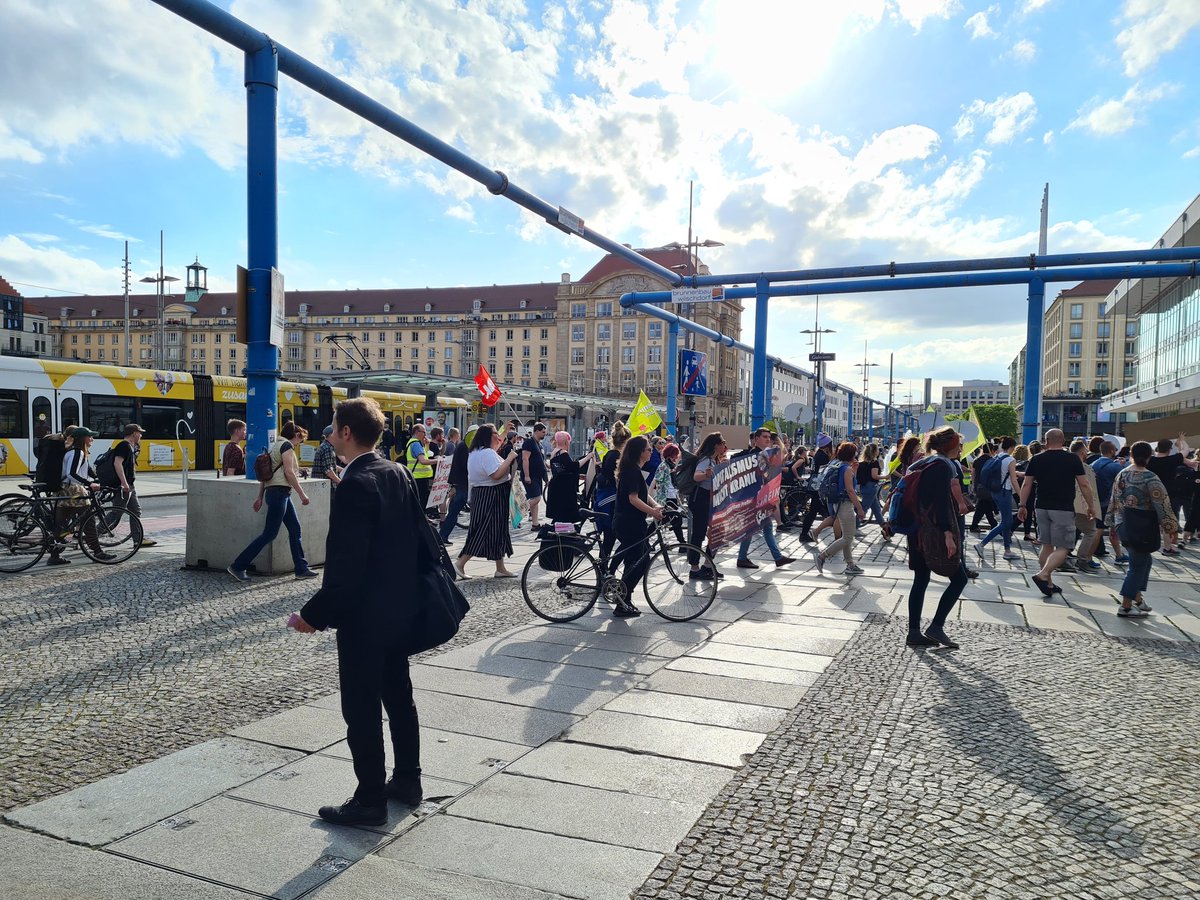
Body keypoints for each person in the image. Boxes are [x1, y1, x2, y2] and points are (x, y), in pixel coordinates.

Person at [290, 397, 425, 826]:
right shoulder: (397, 472)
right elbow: (419, 541)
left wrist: (313, 614)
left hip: (365, 618)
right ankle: (407, 780)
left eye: (333, 427)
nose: (329, 433)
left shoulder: (356, 484)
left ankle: (370, 800)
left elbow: (346, 565)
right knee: (400, 698)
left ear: (347, 433)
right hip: (399, 609)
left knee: (362, 708)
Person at [227, 422, 318, 581]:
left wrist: (260, 496)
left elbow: (265, 474)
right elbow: (289, 473)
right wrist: (302, 495)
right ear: (296, 435)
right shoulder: (287, 446)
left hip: (276, 493)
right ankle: (238, 566)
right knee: (269, 534)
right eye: (300, 440)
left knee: (295, 529)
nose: (299, 444)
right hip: (279, 493)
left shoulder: (275, 445)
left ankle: (301, 568)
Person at [904, 426, 967, 649]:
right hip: (935, 531)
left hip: (916, 529)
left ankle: (913, 632)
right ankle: (936, 626)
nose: (961, 449)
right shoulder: (943, 466)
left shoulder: (921, 463)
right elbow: (940, 501)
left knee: (920, 579)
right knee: (960, 579)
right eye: (959, 445)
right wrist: (948, 534)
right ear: (950, 446)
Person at [1017, 429, 1096, 597]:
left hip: (1041, 506)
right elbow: (1084, 484)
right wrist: (1091, 505)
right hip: (1063, 507)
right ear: (1063, 441)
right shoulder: (1072, 459)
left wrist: (1022, 505)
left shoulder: (1036, 459)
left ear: (1046, 441)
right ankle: (1043, 575)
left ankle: (1049, 583)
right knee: (1065, 546)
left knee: (1047, 544)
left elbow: (1027, 484)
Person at [1106, 440, 1178, 618]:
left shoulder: (1122, 474)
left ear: (1131, 455)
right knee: (1138, 566)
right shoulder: (1151, 478)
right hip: (1143, 527)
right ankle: (1126, 606)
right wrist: (1170, 526)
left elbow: (1114, 499)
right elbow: (1162, 503)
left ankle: (1138, 599)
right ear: (1149, 456)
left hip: (1123, 523)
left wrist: (1111, 522)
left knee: (1144, 562)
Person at [454, 424, 520, 579]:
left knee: (498, 531)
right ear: (488, 436)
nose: (499, 437)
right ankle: (460, 564)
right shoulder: (487, 454)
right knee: (482, 530)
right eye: (496, 433)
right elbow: (496, 474)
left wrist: (504, 432)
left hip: (483, 494)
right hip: (492, 495)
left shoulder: (476, 452)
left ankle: (500, 568)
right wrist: (510, 458)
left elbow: (495, 446)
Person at [610, 436, 665, 618]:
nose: (651, 451)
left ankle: (623, 598)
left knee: (635, 562)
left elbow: (643, 495)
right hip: (629, 523)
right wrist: (653, 511)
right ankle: (621, 601)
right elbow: (633, 499)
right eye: (649, 449)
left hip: (631, 523)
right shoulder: (632, 472)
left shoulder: (633, 470)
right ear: (640, 452)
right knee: (638, 563)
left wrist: (656, 506)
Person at [51, 427, 112, 565]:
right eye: (89, 436)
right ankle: (98, 553)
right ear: (82, 439)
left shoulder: (73, 452)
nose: (92, 439)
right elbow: (71, 473)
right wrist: (88, 484)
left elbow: (85, 471)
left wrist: (96, 480)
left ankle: (54, 555)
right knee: (89, 522)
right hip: (74, 491)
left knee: (61, 524)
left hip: (65, 490)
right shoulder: (77, 452)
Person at [735, 428, 795, 570]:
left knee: (763, 526)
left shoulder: (764, 455)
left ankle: (773, 557)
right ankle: (747, 558)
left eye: (769, 437)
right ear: (756, 439)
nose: (768, 439)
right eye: (764, 437)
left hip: (761, 496)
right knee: (757, 527)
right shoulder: (752, 455)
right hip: (753, 497)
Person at [815, 442, 867, 576]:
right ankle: (822, 556)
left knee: (846, 536)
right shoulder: (847, 469)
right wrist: (860, 509)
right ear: (851, 454)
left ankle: (850, 564)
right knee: (848, 537)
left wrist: (854, 470)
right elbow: (850, 490)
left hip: (838, 503)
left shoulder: (840, 466)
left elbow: (845, 484)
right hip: (845, 505)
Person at [109, 423, 157, 547]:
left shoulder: (131, 446)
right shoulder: (123, 446)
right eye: (140, 433)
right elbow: (117, 463)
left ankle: (138, 539)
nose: (141, 435)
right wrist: (124, 483)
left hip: (129, 485)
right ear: (134, 433)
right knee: (116, 514)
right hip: (123, 486)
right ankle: (92, 537)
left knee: (135, 511)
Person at [974, 436, 1020, 560]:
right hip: (1005, 492)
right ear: (1011, 447)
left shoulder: (997, 456)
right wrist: (1021, 497)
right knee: (1007, 522)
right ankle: (982, 544)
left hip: (995, 491)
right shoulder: (1010, 459)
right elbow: (1014, 481)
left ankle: (1007, 550)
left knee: (1005, 521)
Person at [688, 432, 726, 581]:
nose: (724, 445)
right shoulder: (705, 460)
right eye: (723, 442)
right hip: (701, 500)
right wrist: (706, 475)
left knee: (717, 532)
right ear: (716, 445)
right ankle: (695, 567)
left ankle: (707, 565)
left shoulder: (713, 460)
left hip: (709, 500)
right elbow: (696, 476)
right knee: (699, 532)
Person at [594, 422, 630, 564]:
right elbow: (618, 479)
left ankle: (604, 567)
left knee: (610, 536)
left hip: (603, 499)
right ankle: (606, 567)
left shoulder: (609, 453)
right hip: (611, 501)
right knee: (620, 537)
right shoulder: (619, 457)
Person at [545, 431, 593, 525]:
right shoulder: (563, 453)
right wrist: (588, 457)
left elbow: (562, 469)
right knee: (565, 514)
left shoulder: (554, 452)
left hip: (556, 486)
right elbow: (574, 466)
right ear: (567, 442)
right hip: (564, 488)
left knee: (558, 515)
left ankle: (558, 532)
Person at [1070, 438, 1101, 572]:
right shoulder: (1086, 468)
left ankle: (1063, 559)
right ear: (1082, 453)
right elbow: (1087, 487)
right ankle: (1082, 559)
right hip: (1081, 505)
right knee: (1091, 532)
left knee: (1066, 533)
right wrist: (1092, 507)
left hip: (1063, 504)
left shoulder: (1064, 463)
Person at [1092, 440, 1126, 562]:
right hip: (1109, 502)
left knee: (1103, 528)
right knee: (1102, 529)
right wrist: (1122, 465)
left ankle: (1119, 555)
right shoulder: (1115, 466)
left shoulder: (1093, 464)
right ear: (1112, 451)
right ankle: (1087, 557)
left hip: (1096, 500)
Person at [652, 442, 687, 545]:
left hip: (670, 496)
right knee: (672, 519)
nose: (677, 458)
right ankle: (682, 543)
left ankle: (682, 543)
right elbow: (658, 480)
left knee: (672, 519)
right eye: (675, 456)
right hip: (666, 498)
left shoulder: (669, 467)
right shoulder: (664, 466)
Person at [520, 423, 549, 529]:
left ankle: (535, 523)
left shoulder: (540, 445)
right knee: (536, 498)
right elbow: (525, 459)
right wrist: (527, 475)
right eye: (543, 432)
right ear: (536, 431)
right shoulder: (529, 443)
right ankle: (520, 511)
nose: (544, 434)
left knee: (535, 499)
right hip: (530, 475)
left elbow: (542, 461)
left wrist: (546, 477)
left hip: (538, 476)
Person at [404, 423, 434, 516]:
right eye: (423, 432)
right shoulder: (416, 443)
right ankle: (421, 521)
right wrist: (439, 461)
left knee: (419, 500)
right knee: (422, 500)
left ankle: (422, 518)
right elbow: (423, 461)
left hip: (416, 476)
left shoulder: (412, 442)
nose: (425, 435)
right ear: (417, 432)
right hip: (419, 477)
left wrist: (426, 445)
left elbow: (426, 455)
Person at [857, 442, 885, 527]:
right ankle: (854, 527)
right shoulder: (874, 462)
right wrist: (886, 476)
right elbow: (874, 476)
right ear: (875, 451)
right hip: (871, 487)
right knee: (863, 510)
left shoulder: (861, 462)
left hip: (863, 487)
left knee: (876, 509)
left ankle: (884, 527)